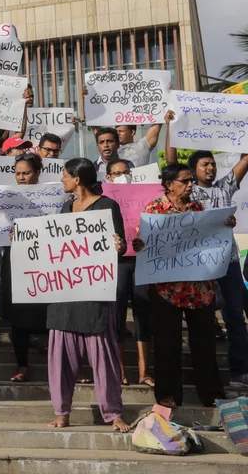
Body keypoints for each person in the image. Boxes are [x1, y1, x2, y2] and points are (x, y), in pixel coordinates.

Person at [132, 163, 229, 408]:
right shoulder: (154, 210)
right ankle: (169, 395)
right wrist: (140, 244)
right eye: (184, 181)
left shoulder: (198, 209)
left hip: (199, 290)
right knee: (167, 345)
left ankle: (212, 394)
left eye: (190, 181)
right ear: (168, 184)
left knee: (204, 344)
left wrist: (224, 225)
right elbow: (143, 242)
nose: (189, 185)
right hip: (166, 291)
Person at [163, 109, 248, 389]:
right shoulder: (188, 191)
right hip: (199, 265)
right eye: (204, 165)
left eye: (212, 164)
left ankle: (239, 371)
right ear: (192, 171)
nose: (210, 168)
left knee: (235, 314)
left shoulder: (225, 187)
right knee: (204, 319)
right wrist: (171, 127)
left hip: (229, 262)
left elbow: (246, 159)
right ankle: (208, 374)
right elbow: (171, 162)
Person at [47, 158, 129, 433]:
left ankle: (113, 412)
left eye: (65, 175)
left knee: (103, 357)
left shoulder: (107, 206)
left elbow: (120, 244)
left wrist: (117, 245)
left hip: (94, 294)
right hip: (64, 293)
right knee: (60, 358)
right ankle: (62, 411)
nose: (62, 180)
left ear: (77, 179)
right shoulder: (64, 208)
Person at [0, 153, 48, 382]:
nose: (21, 178)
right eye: (18, 173)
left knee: (46, 310)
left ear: (37, 173)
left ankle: (58, 363)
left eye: (26, 173)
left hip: (44, 259)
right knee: (18, 313)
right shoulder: (4, 197)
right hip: (14, 258)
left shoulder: (52, 197)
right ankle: (22, 364)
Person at [102, 160, 153, 387]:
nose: (122, 176)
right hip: (118, 262)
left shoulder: (147, 197)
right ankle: (120, 370)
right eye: (116, 173)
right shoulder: (103, 200)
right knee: (118, 316)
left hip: (142, 259)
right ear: (108, 177)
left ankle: (145, 372)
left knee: (144, 313)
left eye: (126, 172)